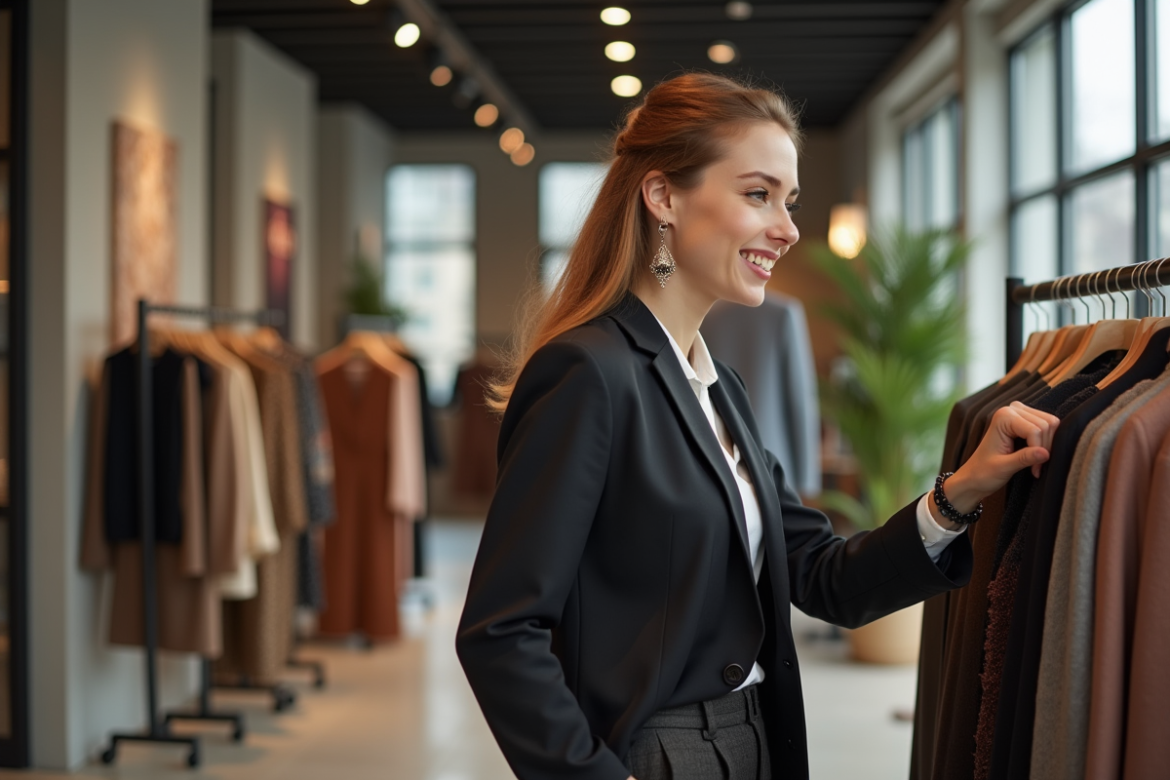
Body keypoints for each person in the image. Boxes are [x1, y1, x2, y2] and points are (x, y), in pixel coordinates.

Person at [455, 73, 1058, 780]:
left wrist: (959, 494)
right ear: (663, 197)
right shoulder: (588, 373)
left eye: (789, 200)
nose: (788, 227)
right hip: (655, 755)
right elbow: (501, 631)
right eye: (757, 194)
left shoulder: (720, 388)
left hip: (757, 743)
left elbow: (827, 578)